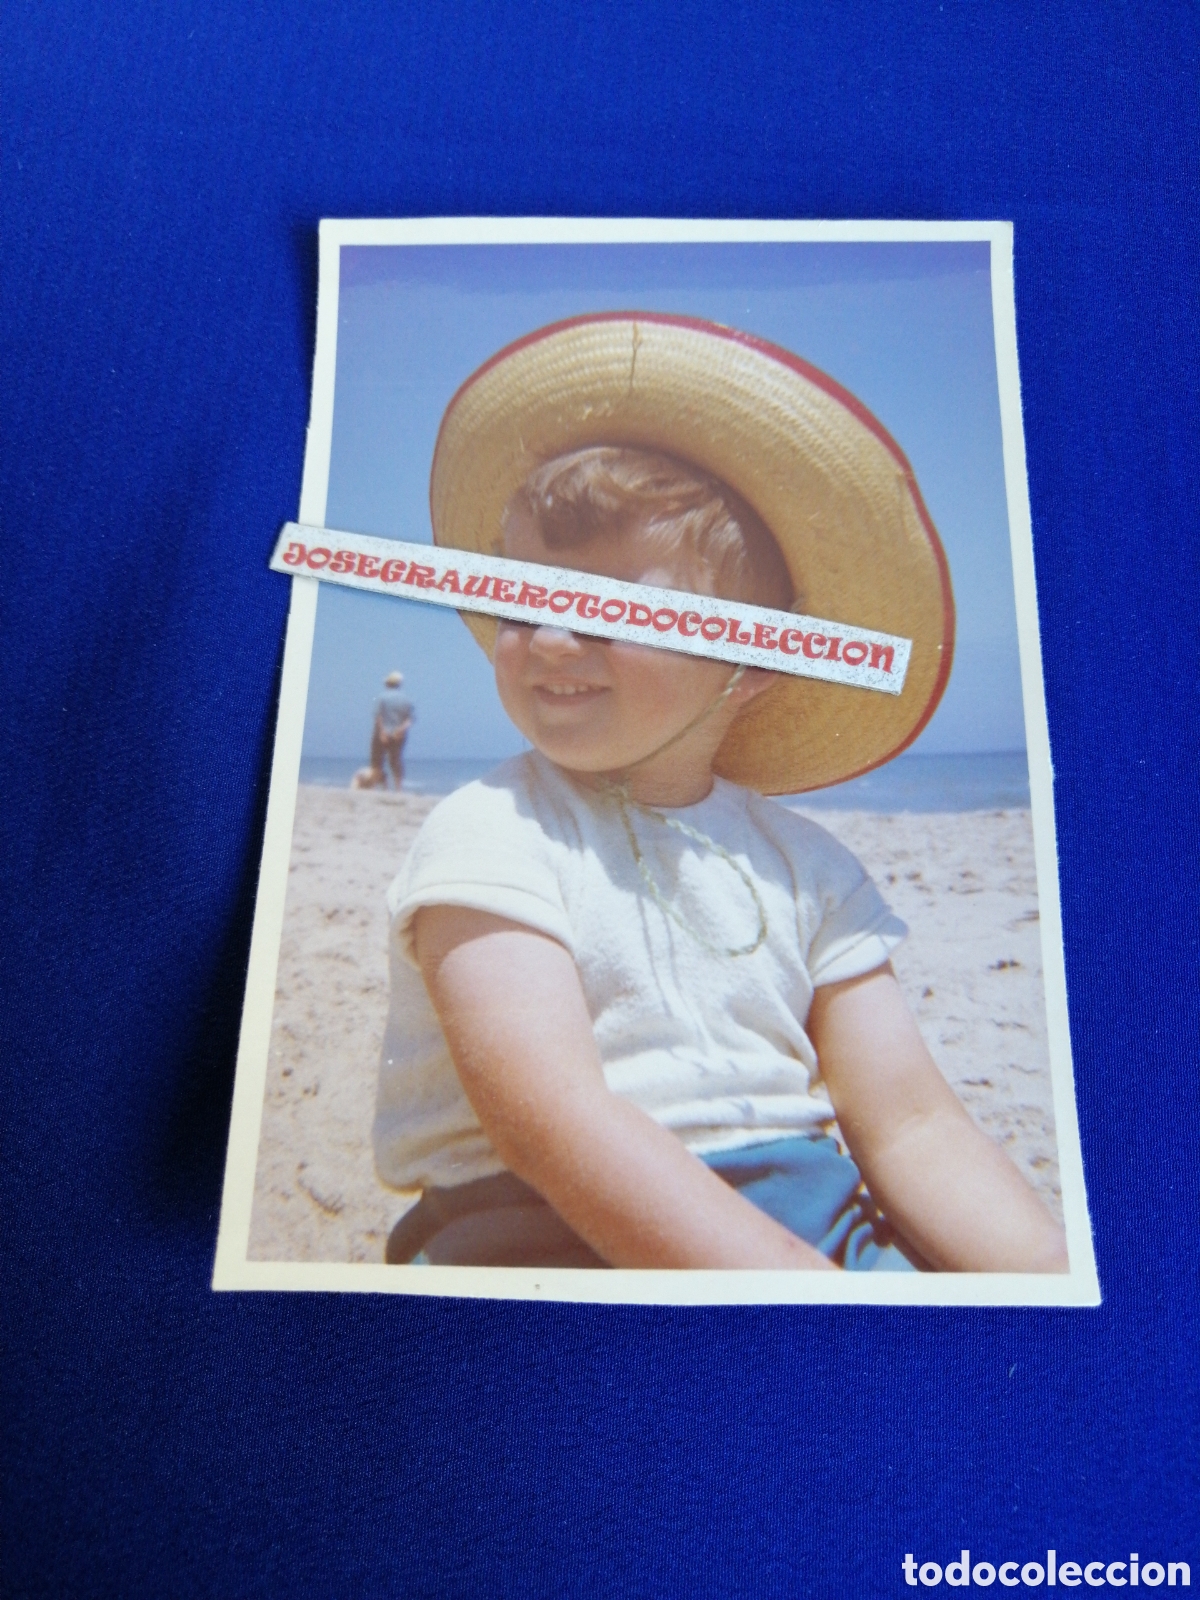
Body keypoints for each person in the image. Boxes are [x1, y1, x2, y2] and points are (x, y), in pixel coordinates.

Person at [373, 313, 1068, 1274]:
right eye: (524, 598)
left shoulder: (811, 871)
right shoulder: (492, 834)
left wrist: (1054, 1297)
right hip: (549, 1224)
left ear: (755, 663)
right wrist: (796, 1299)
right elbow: (556, 1128)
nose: (554, 639)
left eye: (617, 608)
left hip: (817, 1217)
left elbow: (913, 1129)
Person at [370, 671, 414, 789]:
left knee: (377, 761)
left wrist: (382, 732)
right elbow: (409, 720)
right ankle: (398, 788)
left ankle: (380, 786)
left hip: (382, 733)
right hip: (399, 735)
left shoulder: (381, 697)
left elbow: (378, 717)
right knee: (396, 761)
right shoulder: (406, 699)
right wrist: (400, 730)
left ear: (388, 684)